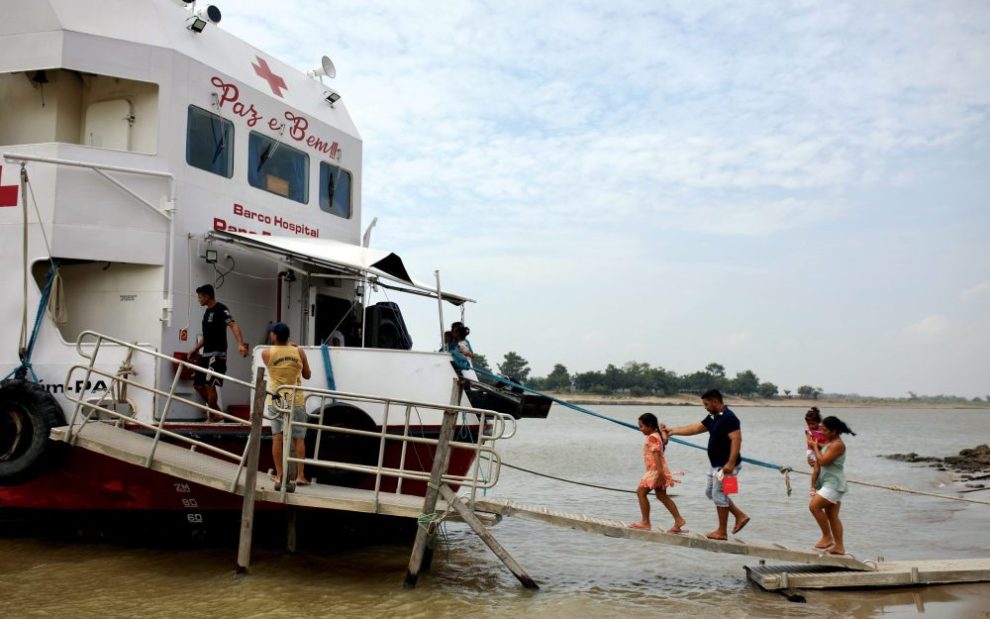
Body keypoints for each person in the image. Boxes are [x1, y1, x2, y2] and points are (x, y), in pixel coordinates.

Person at [663, 388, 749, 540]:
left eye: (706, 404)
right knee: (711, 493)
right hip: (716, 464)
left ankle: (722, 532)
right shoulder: (713, 416)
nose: (705, 407)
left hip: (728, 466)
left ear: (716, 402)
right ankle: (740, 515)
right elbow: (696, 428)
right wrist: (673, 431)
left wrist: (729, 464)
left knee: (719, 494)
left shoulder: (729, 418)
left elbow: (737, 439)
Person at [262, 322, 312, 490]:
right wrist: (293, 347)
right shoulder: (299, 352)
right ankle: (300, 476)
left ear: (275, 336)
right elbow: (307, 375)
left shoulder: (266, 353)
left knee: (277, 437)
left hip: (276, 398)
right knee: (299, 439)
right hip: (295, 400)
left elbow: (273, 359)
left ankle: (280, 475)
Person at [188, 284, 249, 422]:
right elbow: (206, 336)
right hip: (206, 354)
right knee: (198, 384)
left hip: (218, 354)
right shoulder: (206, 313)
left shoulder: (221, 309)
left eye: (200, 297)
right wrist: (195, 349)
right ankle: (216, 412)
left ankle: (212, 416)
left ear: (207, 296)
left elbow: (233, 324)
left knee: (210, 385)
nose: (198, 300)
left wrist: (240, 343)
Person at [629, 412, 686, 533]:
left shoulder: (652, 437)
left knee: (640, 493)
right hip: (660, 469)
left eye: (641, 426)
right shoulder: (657, 435)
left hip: (655, 470)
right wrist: (662, 430)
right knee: (661, 496)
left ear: (649, 426)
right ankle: (678, 520)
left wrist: (660, 475)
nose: (640, 429)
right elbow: (664, 441)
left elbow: (657, 456)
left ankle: (645, 522)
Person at [808, 416, 855, 555]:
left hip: (834, 484)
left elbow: (823, 461)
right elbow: (823, 458)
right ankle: (839, 547)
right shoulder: (830, 443)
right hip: (829, 482)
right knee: (832, 515)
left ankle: (827, 537)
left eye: (825, 430)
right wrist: (815, 452)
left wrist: (816, 448)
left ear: (834, 431)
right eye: (821, 429)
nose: (821, 432)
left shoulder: (838, 445)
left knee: (814, 506)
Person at [804, 407, 827, 497]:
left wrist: (820, 445)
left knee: (821, 470)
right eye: (808, 424)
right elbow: (809, 441)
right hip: (812, 451)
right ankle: (813, 487)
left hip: (821, 450)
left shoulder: (823, 429)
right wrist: (815, 444)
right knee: (817, 469)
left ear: (818, 422)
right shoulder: (809, 431)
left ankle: (820, 488)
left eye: (813, 424)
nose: (810, 426)